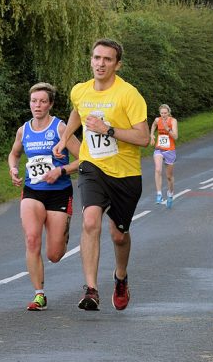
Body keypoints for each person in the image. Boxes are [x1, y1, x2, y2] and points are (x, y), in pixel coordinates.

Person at [53, 39, 149, 311]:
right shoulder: (80, 90)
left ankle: (120, 277)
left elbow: (144, 138)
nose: (100, 63)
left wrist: (108, 129)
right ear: (91, 60)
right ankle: (91, 290)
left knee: (119, 235)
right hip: (92, 166)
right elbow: (77, 111)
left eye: (107, 59)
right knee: (90, 220)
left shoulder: (129, 95)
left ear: (117, 64)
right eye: (97, 58)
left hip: (125, 174)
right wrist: (66, 137)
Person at [8, 83, 82, 311]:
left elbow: (85, 159)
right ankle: (39, 294)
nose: (37, 106)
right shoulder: (24, 130)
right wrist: (13, 168)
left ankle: (63, 232)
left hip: (59, 193)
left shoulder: (61, 128)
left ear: (50, 104)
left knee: (55, 254)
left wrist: (61, 171)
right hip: (32, 191)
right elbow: (14, 153)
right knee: (32, 239)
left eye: (42, 101)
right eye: (33, 101)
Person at [149, 104, 178, 209]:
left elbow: (176, 136)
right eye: (162, 113)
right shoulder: (158, 120)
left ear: (168, 113)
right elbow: (153, 125)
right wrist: (151, 135)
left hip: (170, 150)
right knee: (157, 169)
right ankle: (159, 194)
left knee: (169, 177)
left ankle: (170, 193)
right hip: (159, 149)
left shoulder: (173, 121)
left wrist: (168, 129)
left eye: (165, 113)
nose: (163, 115)